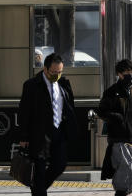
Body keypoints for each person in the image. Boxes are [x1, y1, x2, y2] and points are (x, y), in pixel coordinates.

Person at [17, 52, 77, 196]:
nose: (56, 75)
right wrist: (24, 136)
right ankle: (39, 190)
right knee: (39, 170)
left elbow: (69, 106)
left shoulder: (63, 84)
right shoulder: (32, 85)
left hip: (59, 132)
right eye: (53, 72)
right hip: (39, 135)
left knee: (60, 165)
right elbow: (24, 111)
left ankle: (38, 188)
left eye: (60, 72)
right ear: (45, 69)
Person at [98, 60, 132, 196]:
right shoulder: (111, 92)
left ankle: (123, 191)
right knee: (125, 167)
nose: (131, 75)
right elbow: (101, 111)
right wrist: (115, 117)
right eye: (127, 73)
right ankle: (120, 192)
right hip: (118, 137)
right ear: (119, 74)